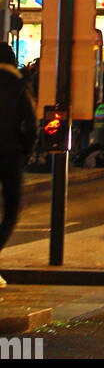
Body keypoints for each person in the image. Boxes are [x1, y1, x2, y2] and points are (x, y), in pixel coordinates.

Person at [0, 41, 37, 281]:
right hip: (9, 153)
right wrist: (25, 149)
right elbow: (32, 124)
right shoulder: (18, 85)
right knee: (12, 208)